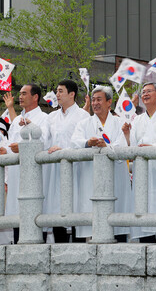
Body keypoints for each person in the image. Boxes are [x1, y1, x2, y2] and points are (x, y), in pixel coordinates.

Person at [71, 85, 133, 240]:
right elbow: (74, 142)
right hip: (90, 177)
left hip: (116, 177)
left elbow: (125, 146)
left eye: (99, 99)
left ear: (109, 102)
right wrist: (88, 142)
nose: (95, 103)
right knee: (92, 222)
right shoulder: (84, 124)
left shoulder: (120, 123)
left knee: (118, 221)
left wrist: (107, 147)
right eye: (93, 100)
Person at [0, 83, 51, 244]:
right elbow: (11, 143)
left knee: (36, 213)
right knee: (16, 213)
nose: (20, 96)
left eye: (24, 93)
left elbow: (44, 142)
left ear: (35, 97)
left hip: (34, 175)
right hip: (16, 173)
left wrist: (23, 146)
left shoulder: (44, 119)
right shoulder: (17, 120)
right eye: (20, 93)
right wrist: (5, 150)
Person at [122, 82, 156, 243]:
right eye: (143, 92)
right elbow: (132, 145)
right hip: (142, 171)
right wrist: (126, 134)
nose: (145, 94)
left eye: (149, 91)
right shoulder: (137, 120)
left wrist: (153, 148)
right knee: (143, 205)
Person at [46, 79, 90, 243]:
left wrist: (64, 150)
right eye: (56, 91)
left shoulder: (83, 116)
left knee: (76, 206)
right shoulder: (51, 117)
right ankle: (59, 246)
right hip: (56, 169)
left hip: (76, 168)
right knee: (57, 207)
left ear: (72, 94)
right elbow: (45, 140)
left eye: (60, 91)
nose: (57, 94)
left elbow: (83, 142)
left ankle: (78, 248)